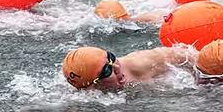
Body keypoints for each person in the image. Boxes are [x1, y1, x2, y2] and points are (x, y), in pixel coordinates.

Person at [61, 43, 196, 91]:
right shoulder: (88, 93)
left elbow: (186, 54)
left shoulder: (139, 63)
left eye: (111, 57)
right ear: (92, 85)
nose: (116, 67)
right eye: (107, 70)